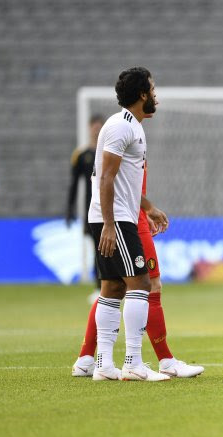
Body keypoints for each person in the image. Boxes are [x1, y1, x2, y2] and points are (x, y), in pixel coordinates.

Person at [71, 167, 205, 379]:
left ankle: (87, 359)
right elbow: (113, 180)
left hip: (128, 213)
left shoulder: (125, 137)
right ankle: (165, 361)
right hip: (125, 217)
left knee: (115, 286)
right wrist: (147, 209)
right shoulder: (125, 134)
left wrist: (142, 211)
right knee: (149, 285)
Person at [85, 66, 168, 382]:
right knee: (141, 284)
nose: (156, 95)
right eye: (153, 89)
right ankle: (133, 362)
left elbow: (123, 180)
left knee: (113, 287)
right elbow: (105, 176)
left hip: (116, 215)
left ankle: (104, 366)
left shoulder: (129, 125)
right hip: (116, 219)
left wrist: (148, 207)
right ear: (143, 94)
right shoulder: (123, 127)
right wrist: (109, 224)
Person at [66, 115, 104, 295]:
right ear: (89, 128)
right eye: (94, 126)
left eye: (99, 126)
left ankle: (111, 287)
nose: (96, 129)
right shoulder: (81, 156)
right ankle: (100, 288)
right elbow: (74, 184)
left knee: (107, 250)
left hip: (112, 209)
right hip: (92, 210)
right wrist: (69, 208)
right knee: (97, 249)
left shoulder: (109, 152)